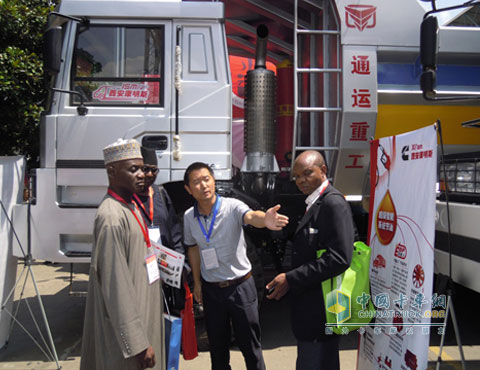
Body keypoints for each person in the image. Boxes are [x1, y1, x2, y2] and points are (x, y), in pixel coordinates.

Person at [183, 162, 289, 370]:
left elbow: (250, 216)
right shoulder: (189, 217)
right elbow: (193, 249)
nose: (203, 185)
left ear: (214, 181)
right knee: (218, 351)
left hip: (240, 288)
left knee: (250, 348)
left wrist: (265, 220)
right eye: (197, 182)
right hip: (212, 290)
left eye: (207, 179)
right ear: (188, 189)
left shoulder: (231, 206)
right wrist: (196, 283)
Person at [266, 150, 354, 370]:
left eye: (307, 173)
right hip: (312, 307)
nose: (301, 181)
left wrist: (291, 278)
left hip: (322, 308)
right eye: (296, 176)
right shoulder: (314, 202)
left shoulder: (333, 204)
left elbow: (340, 257)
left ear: (323, 170)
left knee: (316, 362)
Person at [80, 138, 164, 370]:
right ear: (112, 172)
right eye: (133, 169)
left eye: (143, 169)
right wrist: (137, 343)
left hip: (144, 310)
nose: (142, 175)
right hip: (128, 336)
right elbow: (115, 286)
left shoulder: (131, 206)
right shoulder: (111, 217)